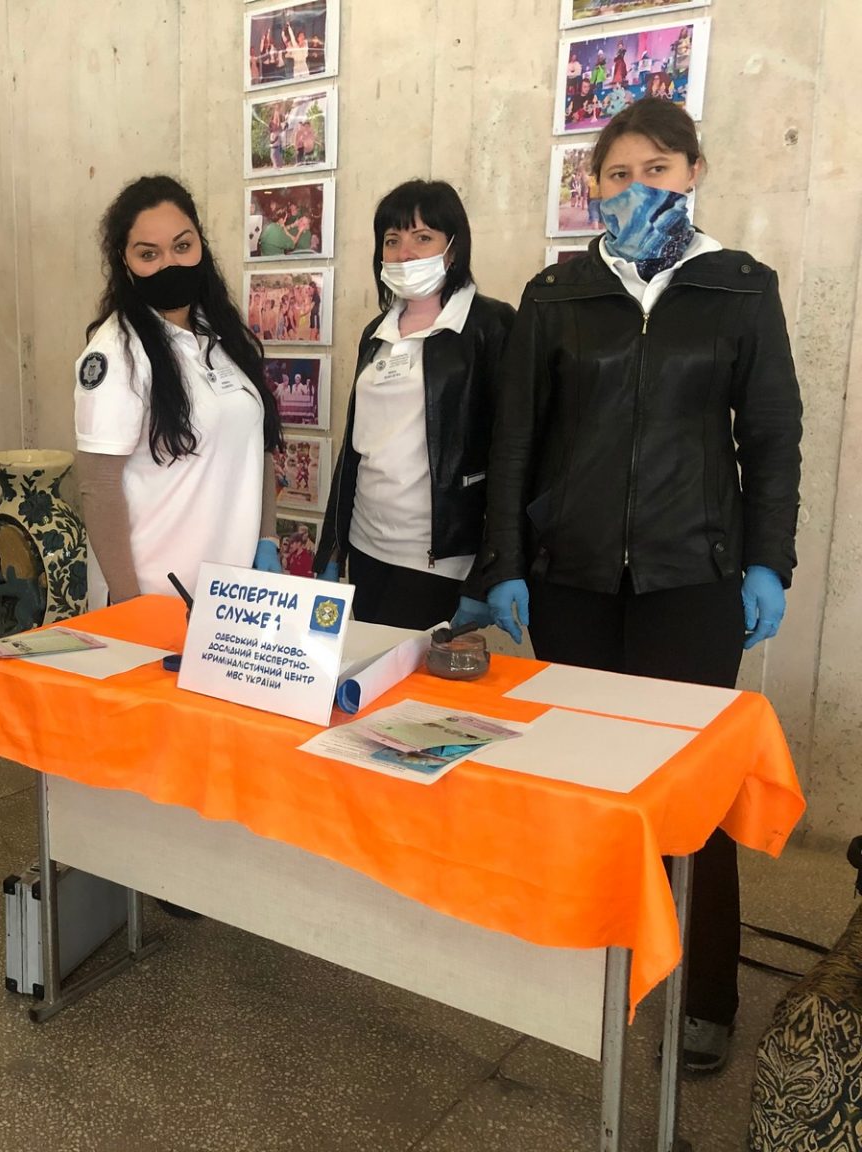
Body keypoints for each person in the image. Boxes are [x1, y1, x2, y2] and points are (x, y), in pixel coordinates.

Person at [482, 99, 802, 1074]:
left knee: (692, 796)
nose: (637, 188)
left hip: (691, 579)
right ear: (592, 187)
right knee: (583, 780)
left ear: (693, 173)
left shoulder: (739, 289)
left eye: (657, 169)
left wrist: (768, 561)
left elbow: (772, 438)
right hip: (572, 580)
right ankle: (593, 958)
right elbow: (517, 440)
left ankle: (704, 995)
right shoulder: (557, 296)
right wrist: (505, 563)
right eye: (618, 174)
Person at [73, 174, 284, 608]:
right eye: (148, 254)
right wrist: (130, 605)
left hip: (231, 597)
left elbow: (257, 441)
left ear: (201, 245)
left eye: (182, 246)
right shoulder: (117, 352)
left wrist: (267, 538)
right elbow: (98, 484)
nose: (169, 263)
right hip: (155, 597)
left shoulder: (220, 334)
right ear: (124, 261)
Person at [313, 180, 514, 631]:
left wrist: (491, 568)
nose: (405, 254)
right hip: (367, 544)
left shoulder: (490, 325)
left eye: (423, 238)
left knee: (414, 673)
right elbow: (354, 447)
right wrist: (333, 546)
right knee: (368, 665)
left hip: (439, 557)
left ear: (453, 249)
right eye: (392, 240)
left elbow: (512, 453)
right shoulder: (377, 332)